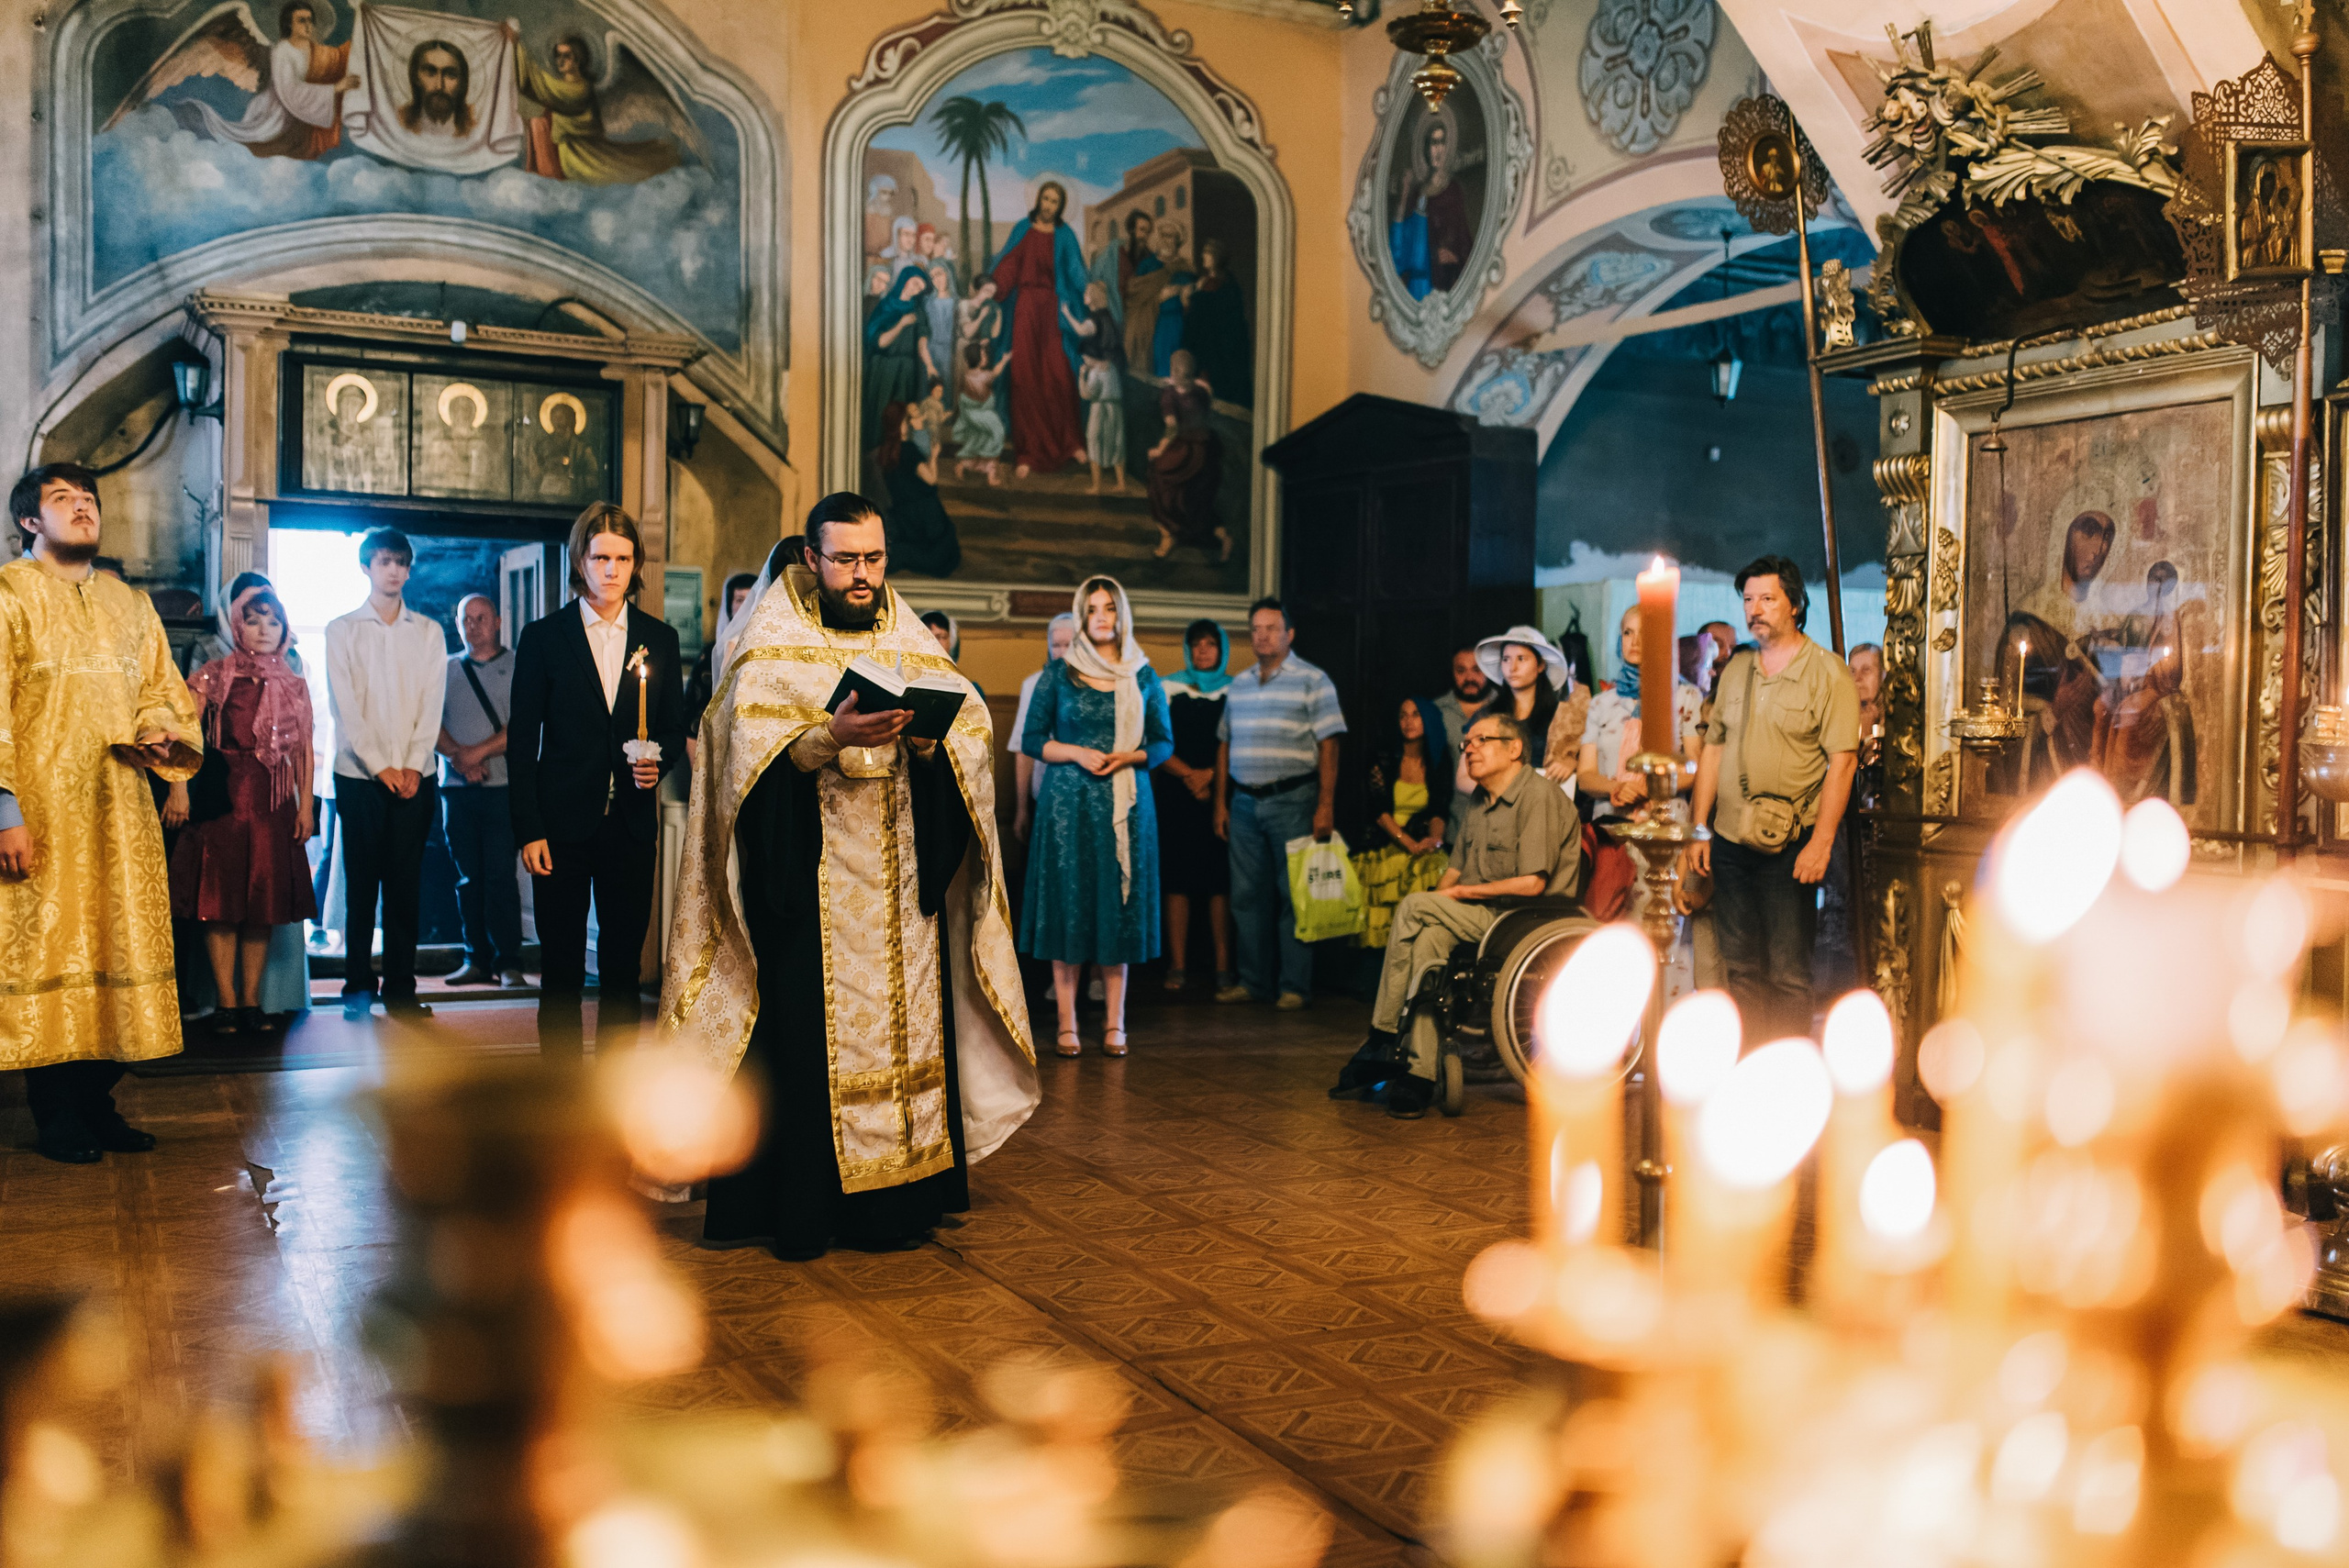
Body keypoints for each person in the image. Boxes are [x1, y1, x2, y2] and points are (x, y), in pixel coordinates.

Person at [660, 491, 1038, 1258]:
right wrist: (826, 736)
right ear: (813, 558)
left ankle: (899, 1205)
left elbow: (966, 737)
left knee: (909, 1043)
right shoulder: (769, 647)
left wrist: (929, 744)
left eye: (874, 558)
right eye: (845, 559)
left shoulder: (910, 637)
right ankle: (810, 1209)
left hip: (902, 899)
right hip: (809, 889)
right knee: (806, 1049)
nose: (862, 574)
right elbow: (740, 771)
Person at [0, 463, 203, 1162]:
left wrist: (160, 733)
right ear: (30, 520)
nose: (83, 507)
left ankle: (96, 1103)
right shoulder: (8, 594)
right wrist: (4, 810)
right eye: (64, 498)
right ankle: (57, 1114)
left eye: (88, 498)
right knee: (51, 954)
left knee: (118, 950)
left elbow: (161, 690)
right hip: (41, 813)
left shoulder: (129, 603)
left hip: (119, 811)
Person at [1337, 712, 1580, 1118]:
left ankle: (1382, 1034)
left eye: (1481, 740)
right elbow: (1453, 872)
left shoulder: (1537, 796)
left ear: (1514, 748)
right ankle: (1419, 1074)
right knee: (1427, 938)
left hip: (1521, 921)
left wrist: (1458, 894)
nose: (1469, 749)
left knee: (1413, 905)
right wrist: (1439, 902)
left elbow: (1532, 884)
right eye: (1466, 743)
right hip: (1481, 915)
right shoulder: (1479, 801)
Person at [508, 503, 685, 1061]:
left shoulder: (659, 638)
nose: (612, 570)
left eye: (623, 559)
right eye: (601, 557)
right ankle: (562, 1092)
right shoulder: (544, 637)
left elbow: (672, 726)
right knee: (561, 967)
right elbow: (521, 743)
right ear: (580, 561)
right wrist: (529, 829)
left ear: (636, 565)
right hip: (560, 825)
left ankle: (616, 1089)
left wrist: (659, 762)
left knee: (622, 968)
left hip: (630, 825)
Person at [1688, 556, 1860, 1043]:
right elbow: (1713, 749)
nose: (1754, 610)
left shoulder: (1828, 673)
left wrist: (1821, 844)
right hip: (1729, 840)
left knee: (1787, 972)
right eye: (1748, 599)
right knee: (1740, 969)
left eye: (1767, 598)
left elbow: (1843, 764)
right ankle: (1747, 1064)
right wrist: (1699, 828)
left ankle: (1787, 1072)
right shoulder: (1737, 670)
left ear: (1796, 604)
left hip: (1791, 845)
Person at [1019, 577, 1172, 1056]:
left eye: (1110, 608)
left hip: (1126, 807)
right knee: (1068, 904)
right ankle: (1067, 1023)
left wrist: (1129, 757)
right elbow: (1032, 739)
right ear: (1082, 616)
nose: (1102, 617)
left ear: (1122, 615)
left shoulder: (1142, 675)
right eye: (1092, 609)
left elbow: (1163, 743)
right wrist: (1076, 752)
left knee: (1116, 905)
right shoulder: (1059, 672)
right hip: (1067, 807)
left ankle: (1114, 1022)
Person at [168, 586, 316, 1035]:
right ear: (237, 627)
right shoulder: (214, 675)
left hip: (274, 800)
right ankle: (226, 1004)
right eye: (253, 620)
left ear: (284, 629)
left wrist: (305, 806)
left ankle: (251, 1002)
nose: (264, 629)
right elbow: (181, 733)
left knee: (261, 903)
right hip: (223, 797)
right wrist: (178, 789)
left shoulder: (294, 684)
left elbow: (304, 750)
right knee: (220, 902)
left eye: (273, 621)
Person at [325, 527, 448, 1018]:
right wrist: (381, 767)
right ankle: (357, 983)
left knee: (404, 885)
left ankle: (400, 988)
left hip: (417, 775)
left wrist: (414, 764)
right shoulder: (342, 629)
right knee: (361, 884)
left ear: (409, 570)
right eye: (384, 562)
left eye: (401, 562)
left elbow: (432, 704)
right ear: (366, 568)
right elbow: (345, 709)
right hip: (359, 776)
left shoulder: (429, 631)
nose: (394, 570)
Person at [1215, 596, 1346, 1009]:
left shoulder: (1314, 680)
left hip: (1293, 800)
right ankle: (1253, 982)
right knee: (1246, 897)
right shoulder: (1239, 684)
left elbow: (1330, 745)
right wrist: (1220, 803)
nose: (1262, 636)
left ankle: (1294, 987)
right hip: (1243, 802)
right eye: (1256, 629)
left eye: (1271, 628)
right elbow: (1224, 743)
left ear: (1289, 634)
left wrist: (1325, 805)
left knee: (1295, 896)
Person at [435, 593, 525, 988]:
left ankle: (509, 962)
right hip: (456, 791)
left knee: (500, 877)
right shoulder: (445, 669)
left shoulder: (519, 665)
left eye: (481, 618)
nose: (473, 626)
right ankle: (476, 958)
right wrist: (460, 758)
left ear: (498, 621)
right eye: (466, 620)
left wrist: (477, 753)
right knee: (468, 878)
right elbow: (429, 722)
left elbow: (523, 725)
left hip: (503, 789)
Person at [1152, 619, 1233, 994]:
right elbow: (1154, 741)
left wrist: (1212, 777)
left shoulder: (1236, 689)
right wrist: (1190, 775)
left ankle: (1223, 966)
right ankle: (1178, 965)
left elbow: (1237, 743)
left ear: (1222, 650)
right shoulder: (1166, 686)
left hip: (1221, 796)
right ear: (1188, 649)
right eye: (1197, 644)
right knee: (1178, 880)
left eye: (1211, 644)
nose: (1203, 650)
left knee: (1220, 882)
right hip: (1176, 794)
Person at [987, 181, 1089, 478]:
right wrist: (995, 286)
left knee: (1059, 373)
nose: (1048, 205)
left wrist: (1088, 291)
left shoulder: (1065, 234)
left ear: (1060, 206)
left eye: (1054, 201)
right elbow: (1009, 264)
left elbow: (1076, 269)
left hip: (1055, 308)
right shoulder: (1023, 229)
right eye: (1045, 198)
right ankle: (1027, 452)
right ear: (1038, 200)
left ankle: (1070, 442)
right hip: (1026, 309)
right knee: (1025, 376)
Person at [1569, 604, 1706, 815]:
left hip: (1664, 817)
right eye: (1628, 633)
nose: (1635, 641)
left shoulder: (1685, 696)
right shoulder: (1601, 703)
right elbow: (1585, 775)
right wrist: (1617, 788)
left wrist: (1648, 788)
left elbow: (1694, 767)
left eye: (1645, 633)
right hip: (1611, 820)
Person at [1356, 696, 1453, 953]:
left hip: (1420, 838)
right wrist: (1408, 844)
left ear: (1428, 720)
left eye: (1415, 714)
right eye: (1403, 715)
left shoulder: (1438, 757)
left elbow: (1439, 809)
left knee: (1435, 866)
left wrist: (1434, 841)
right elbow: (1379, 811)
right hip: (1387, 839)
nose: (1408, 721)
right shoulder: (1383, 757)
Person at [1147, 350, 1228, 562]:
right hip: (1206, 450)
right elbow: (1200, 389)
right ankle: (1222, 535)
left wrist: (1159, 450)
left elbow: (1172, 429)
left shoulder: (1169, 395)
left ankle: (1168, 534)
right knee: (1196, 498)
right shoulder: (1202, 391)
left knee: (1157, 476)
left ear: (1173, 372)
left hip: (1184, 450)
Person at [1475, 625, 1586, 773]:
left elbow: (1585, 762)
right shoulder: (1487, 715)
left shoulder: (1561, 716)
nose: (1512, 668)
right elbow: (1465, 772)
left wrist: (1572, 763)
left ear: (1540, 665)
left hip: (1545, 787)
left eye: (1521, 659)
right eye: (1506, 659)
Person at [1012, 612, 1076, 846]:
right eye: (1056, 645)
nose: (1062, 652)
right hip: (1042, 793)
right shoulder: (1034, 684)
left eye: (1068, 645)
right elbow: (1023, 750)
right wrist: (1021, 808)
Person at [1431, 644, 1490, 851]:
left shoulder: (1504, 708)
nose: (1469, 678)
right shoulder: (1436, 711)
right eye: (1461, 670)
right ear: (1452, 673)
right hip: (1450, 827)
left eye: (1477, 670)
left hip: (1495, 826)